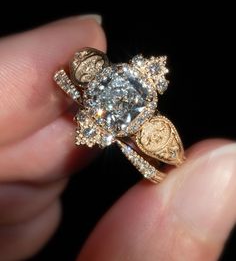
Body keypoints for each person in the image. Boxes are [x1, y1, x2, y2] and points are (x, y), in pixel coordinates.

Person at [0, 14, 235, 261]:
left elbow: (146, 75)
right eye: (84, 69)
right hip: (138, 130)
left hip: (148, 121)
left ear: (101, 59)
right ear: (81, 79)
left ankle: (156, 165)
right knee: (126, 145)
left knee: (133, 146)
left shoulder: (119, 76)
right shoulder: (94, 98)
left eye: (91, 62)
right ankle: (154, 168)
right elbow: (99, 125)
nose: (90, 68)